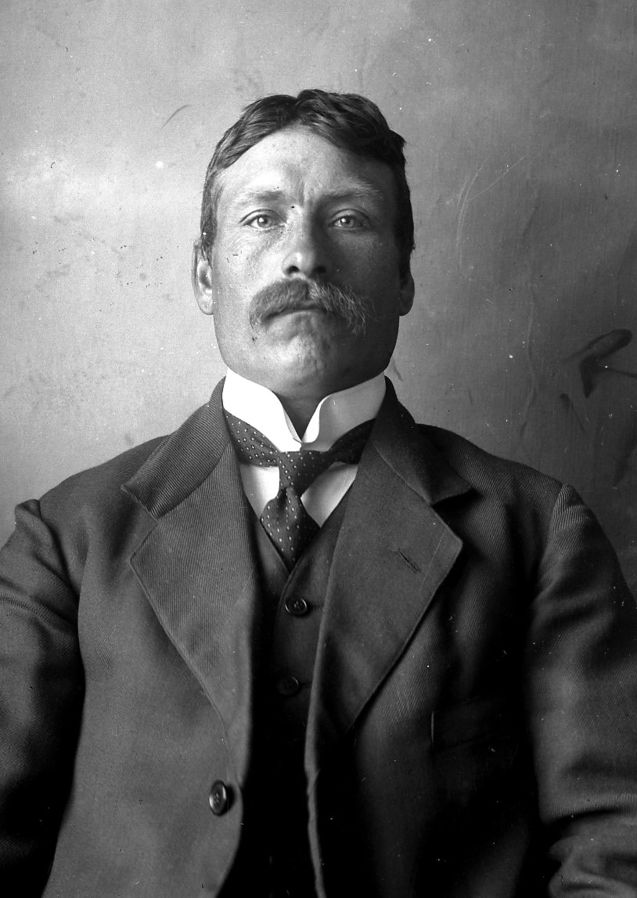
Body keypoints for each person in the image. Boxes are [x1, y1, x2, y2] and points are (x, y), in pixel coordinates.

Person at [1, 89, 636, 898]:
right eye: (262, 219)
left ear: (403, 277)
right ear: (204, 273)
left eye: (348, 219)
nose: (304, 255)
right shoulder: (68, 536)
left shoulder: (537, 533)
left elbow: (614, 845)